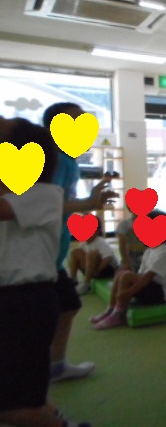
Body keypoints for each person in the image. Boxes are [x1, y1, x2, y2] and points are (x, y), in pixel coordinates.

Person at [0, 116, 91, 427]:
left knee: (15, 408)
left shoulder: (43, 193)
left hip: (25, 301)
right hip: (18, 299)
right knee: (19, 392)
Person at [42, 102, 117, 383]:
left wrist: (89, 201)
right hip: (40, 255)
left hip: (53, 253)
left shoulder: (68, 160)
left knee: (68, 305)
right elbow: (46, 203)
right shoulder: (54, 159)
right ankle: (42, 371)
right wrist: (88, 203)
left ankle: (55, 366)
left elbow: (61, 202)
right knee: (49, 310)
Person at [91, 209, 166, 330]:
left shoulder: (165, 252)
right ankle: (111, 309)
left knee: (126, 276)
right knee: (121, 273)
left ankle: (118, 314)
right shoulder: (150, 249)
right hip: (153, 286)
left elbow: (146, 278)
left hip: (164, 294)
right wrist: (125, 285)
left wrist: (128, 293)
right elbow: (141, 274)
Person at [68, 217, 117, 295]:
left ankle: (86, 284)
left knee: (92, 254)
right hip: (92, 269)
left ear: (97, 232)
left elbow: (108, 258)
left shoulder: (100, 242)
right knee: (75, 252)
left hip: (106, 269)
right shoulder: (84, 243)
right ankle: (73, 280)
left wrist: (98, 270)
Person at [116, 206, 147, 273]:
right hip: (131, 257)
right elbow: (122, 246)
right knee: (122, 274)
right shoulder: (124, 224)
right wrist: (126, 262)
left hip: (147, 257)